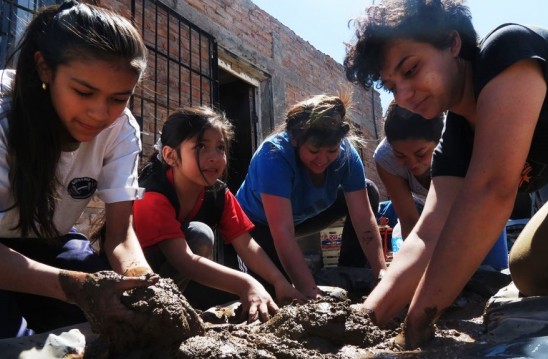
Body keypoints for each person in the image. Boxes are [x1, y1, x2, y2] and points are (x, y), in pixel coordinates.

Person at [344, 0, 548, 348]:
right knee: (531, 269)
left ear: (452, 43)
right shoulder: (456, 140)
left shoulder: (507, 49)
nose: (403, 96)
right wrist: (363, 318)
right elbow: (427, 235)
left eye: (410, 70)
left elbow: (493, 189)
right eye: (391, 87)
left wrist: (416, 323)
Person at [0, 1, 158, 337]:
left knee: (117, 324)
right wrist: (76, 287)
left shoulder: (121, 129)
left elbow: (119, 234)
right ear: (44, 68)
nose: (101, 114)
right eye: (84, 92)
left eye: (119, 98)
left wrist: (146, 285)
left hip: (49, 239)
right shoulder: (5, 114)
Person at [132, 106, 306, 322]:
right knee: (200, 234)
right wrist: (246, 283)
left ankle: (182, 305)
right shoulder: (152, 196)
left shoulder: (218, 192)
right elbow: (184, 261)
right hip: (135, 283)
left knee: (253, 291)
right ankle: (152, 314)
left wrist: (280, 282)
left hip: (180, 279)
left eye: (220, 148)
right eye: (201, 146)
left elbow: (246, 244)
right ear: (170, 155)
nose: (215, 157)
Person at [236, 94, 388, 299]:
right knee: (276, 291)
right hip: (258, 223)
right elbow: (282, 231)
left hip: (303, 216)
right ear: (296, 140)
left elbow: (363, 218)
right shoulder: (274, 155)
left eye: (331, 151)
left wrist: (381, 275)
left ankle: (352, 275)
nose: (322, 159)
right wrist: (310, 294)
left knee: (368, 191)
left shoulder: (346, 155)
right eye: (314, 151)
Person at [374, 100, 444, 238]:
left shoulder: (457, 142)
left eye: (420, 154)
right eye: (400, 155)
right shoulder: (385, 158)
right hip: (422, 205)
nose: (412, 164)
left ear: (439, 140)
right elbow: (409, 220)